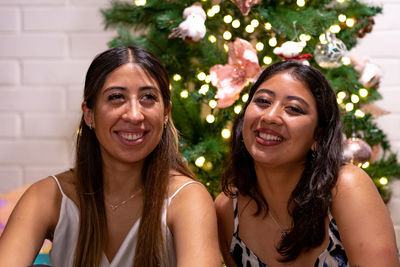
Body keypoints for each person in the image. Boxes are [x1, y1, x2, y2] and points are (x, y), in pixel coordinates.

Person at [0, 45, 221, 267]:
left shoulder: (187, 198)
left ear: (165, 113)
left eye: (148, 97)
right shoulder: (47, 196)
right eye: (116, 97)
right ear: (89, 114)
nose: (134, 115)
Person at [215, 60, 400, 267]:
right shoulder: (226, 209)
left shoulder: (346, 187)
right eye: (263, 101)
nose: (270, 116)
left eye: (293, 109)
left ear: (317, 137)